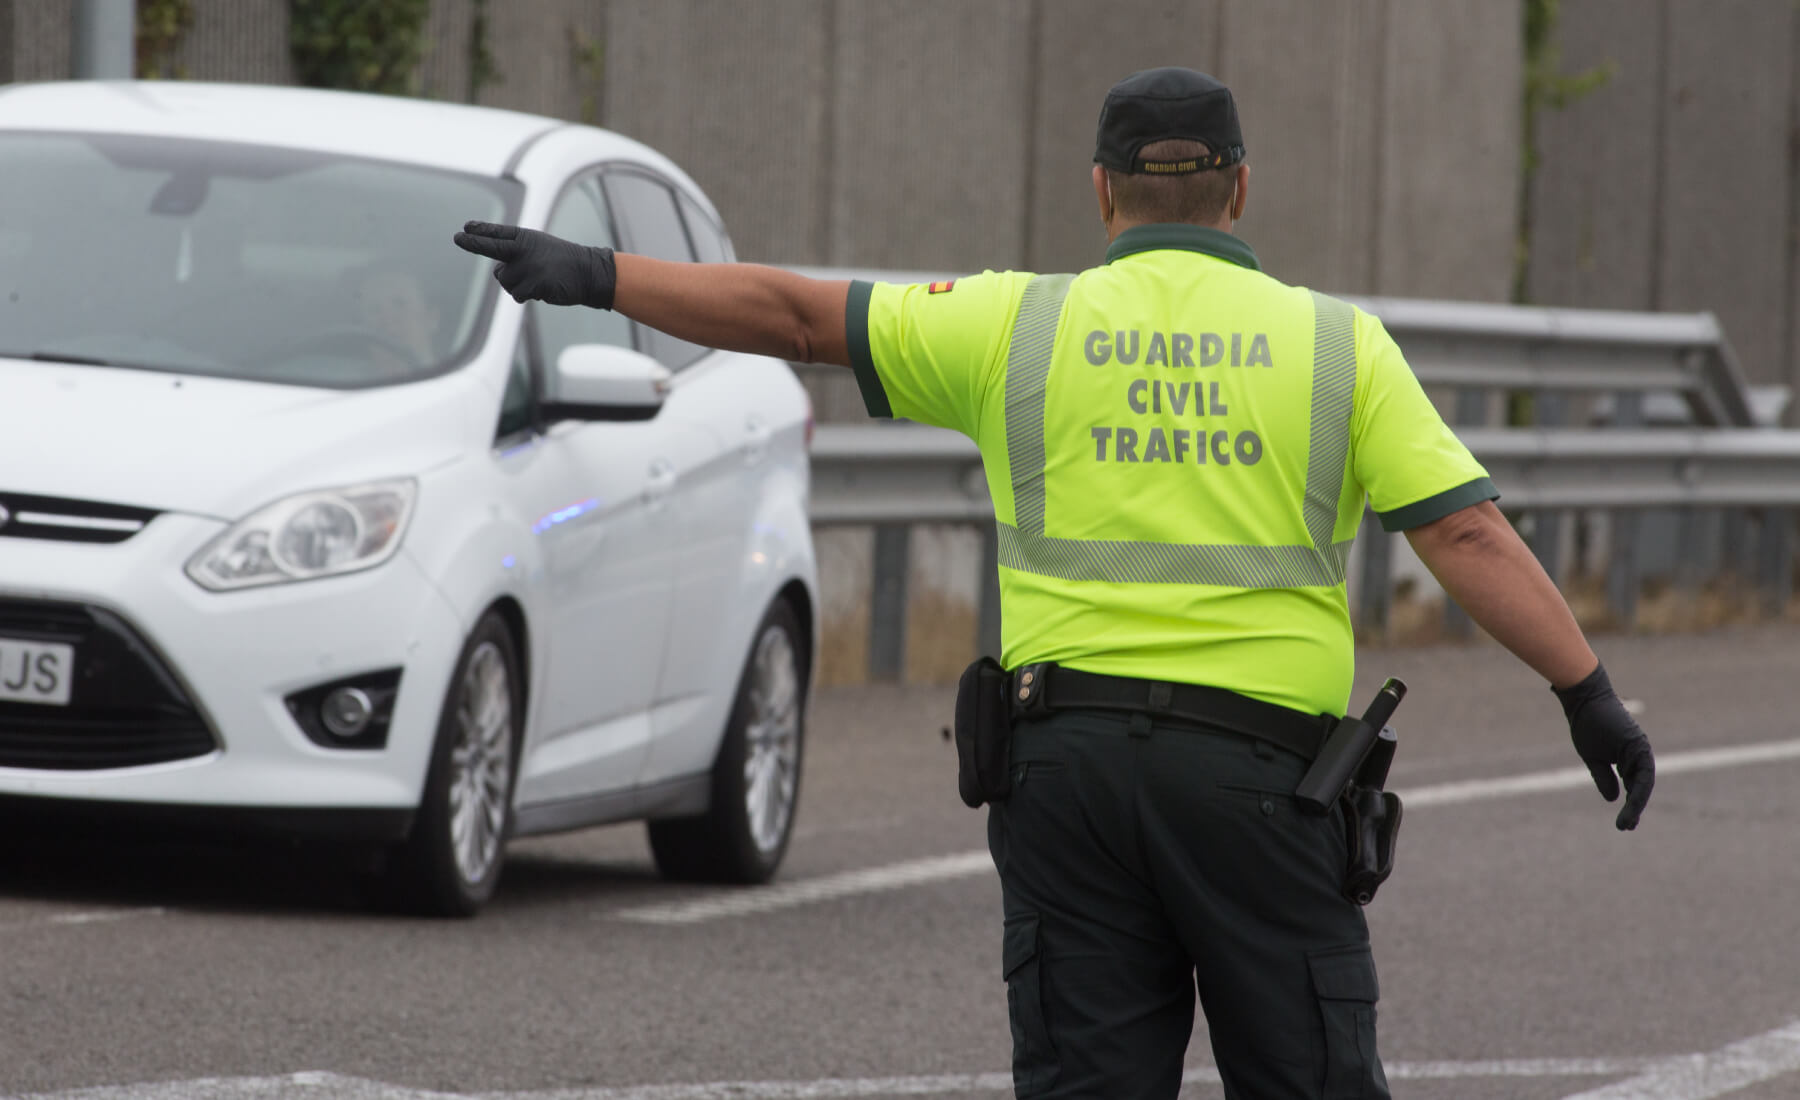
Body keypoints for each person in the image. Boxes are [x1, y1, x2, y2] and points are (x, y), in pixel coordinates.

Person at [453, 66, 1654, 1100]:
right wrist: (1585, 689)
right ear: (1242, 188)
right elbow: (1469, 540)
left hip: (1065, 771)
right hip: (1265, 787)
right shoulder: (1339, 345)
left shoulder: (1014, 326)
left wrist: (597, 271)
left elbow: (794, 315)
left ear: (1100, 191)